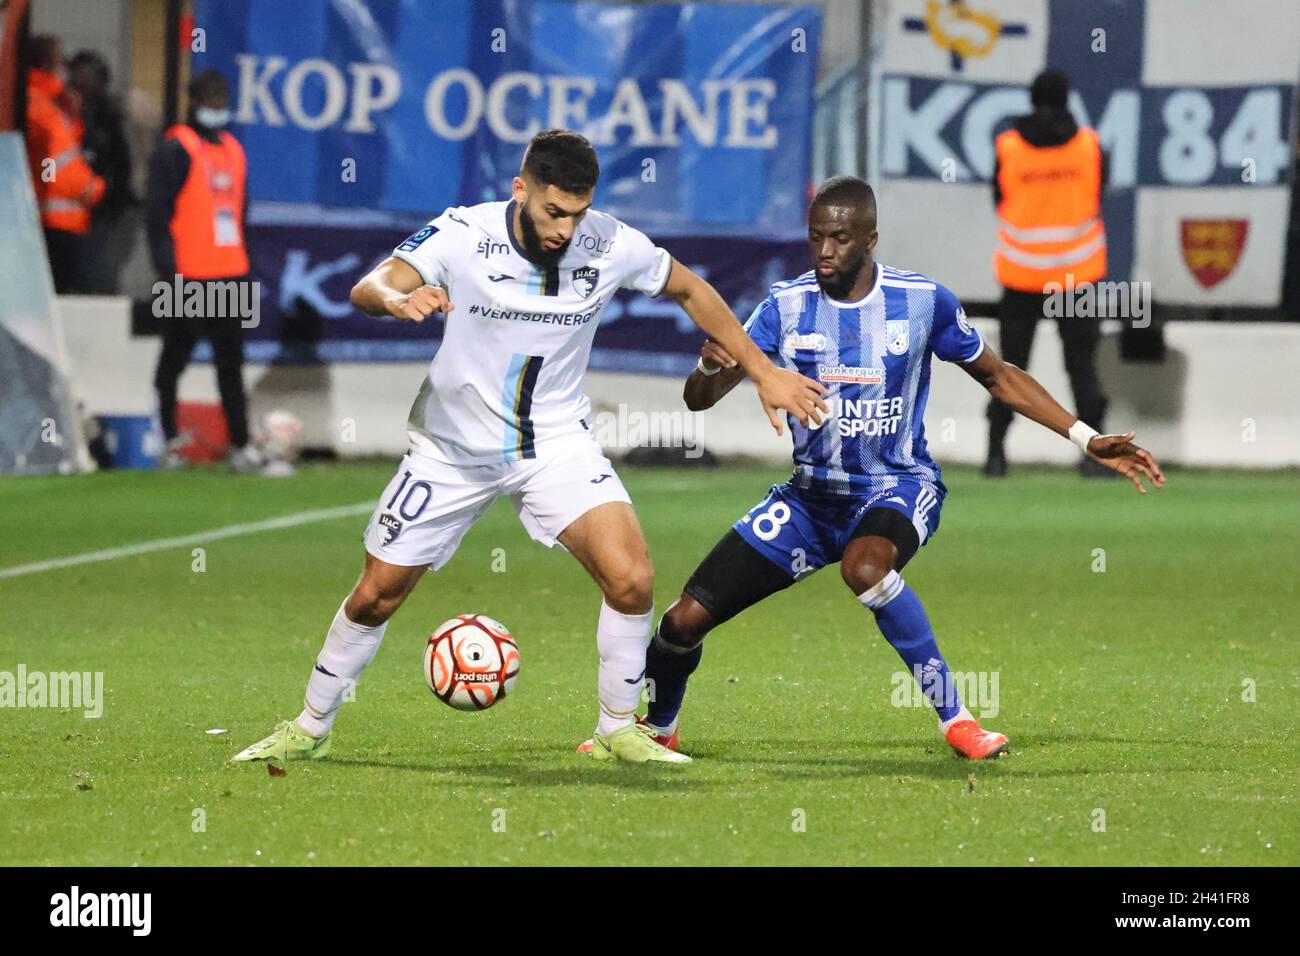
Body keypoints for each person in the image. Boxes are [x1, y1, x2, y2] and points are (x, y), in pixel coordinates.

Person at [231, 129, 827, 765]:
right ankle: (310, 725)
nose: (565, 230)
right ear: (522, 190)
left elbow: (690, 289)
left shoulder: (609, 241)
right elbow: (371, 284)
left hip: (555, 444)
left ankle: (618, 730)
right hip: (452, 450)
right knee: (377, 593)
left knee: (632, 580)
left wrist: (762, 372)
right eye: (553, 212)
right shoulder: (466, 232)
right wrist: (399, 299)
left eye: (577, 213)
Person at [609, 176, 1163, 761]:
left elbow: (999, 376)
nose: (825, 251)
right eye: (816, 238)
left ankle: (958, 720)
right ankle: (659, 728)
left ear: (870, 238)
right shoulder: (784, 306)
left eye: (840, 239)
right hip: (808, 501)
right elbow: (702, 397)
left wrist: (1084, 435)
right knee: (680, 623)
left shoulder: (922, 302)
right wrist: (706, 365)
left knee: (866, 567)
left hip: (896, 486)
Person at [985, 68, 1110, 479]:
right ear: (1067, 96)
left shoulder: (1008, 147)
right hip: (1077, 276)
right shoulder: (1089, 147)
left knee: (1008, 371)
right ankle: (1095, 458)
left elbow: (999, 199)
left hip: (1021, 276)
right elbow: (1098, 195)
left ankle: (996, 455)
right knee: (1082, 367)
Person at [147, 69, 262, 473]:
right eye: (211, 98)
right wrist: (168, 270)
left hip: (231, 272)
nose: (218, 105)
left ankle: (242, 445)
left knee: (231, 365)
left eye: (222, 97)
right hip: (188, 276)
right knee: (173, 361)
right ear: (194, 101)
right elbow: (157, 214)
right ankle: (167, 440)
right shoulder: (177, 148)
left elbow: (241, 212)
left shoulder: (234, 148)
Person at [23, 35, 104, 293]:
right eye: (62, 62)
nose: (66, 69)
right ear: (47, 63)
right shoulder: (39, 104)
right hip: (55, 222)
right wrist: (92, 187)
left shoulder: (49, 103)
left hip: (60, 221)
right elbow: (55, 164)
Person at [68, 50, 136, 294]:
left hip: (100, 206)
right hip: (66, 205)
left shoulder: (109, 114)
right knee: (70, 266)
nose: (83, 80)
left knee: (92, 266)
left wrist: (113, 195)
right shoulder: (63, 110)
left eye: (89, 75)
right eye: (79, 74)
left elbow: (120, 161)